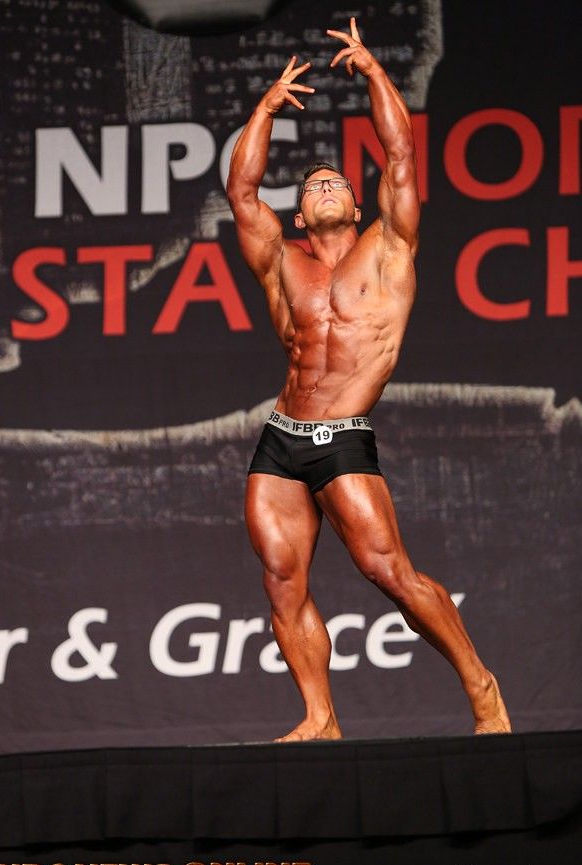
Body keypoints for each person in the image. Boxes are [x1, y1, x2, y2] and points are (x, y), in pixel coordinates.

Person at [226, 18, 511, 741]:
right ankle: (320, 717)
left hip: (342, 435)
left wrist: (377, 74)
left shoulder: (389, 247)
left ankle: (481, 687)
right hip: (281, 439)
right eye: (312, 186)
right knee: (282, 582)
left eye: (337, 183)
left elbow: (401, 153)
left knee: (390, 573)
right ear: (300, 213)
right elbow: (242, 190)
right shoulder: (280, 262)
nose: (324, 186)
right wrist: (264, 108)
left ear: (357, 206)